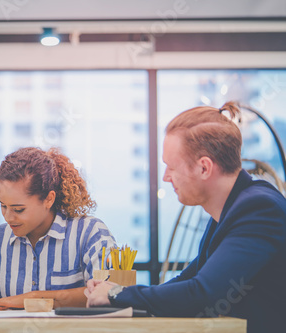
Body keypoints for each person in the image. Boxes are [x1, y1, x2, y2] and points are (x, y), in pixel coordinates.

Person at [85, 101, 286, 333]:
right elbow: (186, 280)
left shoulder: (258, 209)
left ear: (204, 168)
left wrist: (116, 294)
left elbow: (203, 293)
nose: (165, 177)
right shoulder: (232, 208)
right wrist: (114, 290)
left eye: (171, 167)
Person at [0, 147, 116, 310]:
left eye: (18, 209)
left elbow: (108, 293)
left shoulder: (89, 232)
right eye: (3, 206)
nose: (7, 217)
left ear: (49, 199)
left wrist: (32, 298)